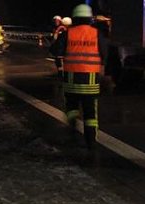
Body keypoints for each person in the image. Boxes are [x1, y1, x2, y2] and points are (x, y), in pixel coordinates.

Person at [60, 5, 107, 148]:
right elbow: (104, 52)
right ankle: (91, 142)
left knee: (72, 107)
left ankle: (72, 129)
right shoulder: (97, 33)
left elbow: (54, 50)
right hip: (90, 80)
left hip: (71, 80)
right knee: (90, 112)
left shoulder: (68, 33)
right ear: (89, 18)